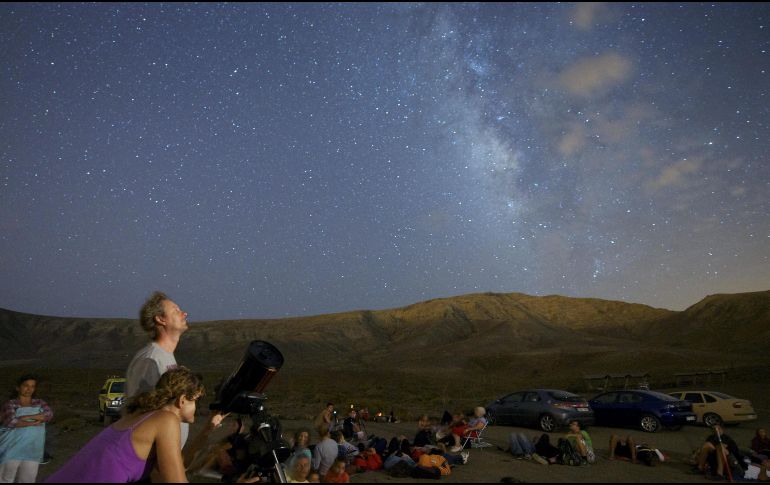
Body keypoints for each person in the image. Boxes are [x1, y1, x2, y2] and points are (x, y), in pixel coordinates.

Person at [45, 367, 227, 483]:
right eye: (195, 401)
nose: (197, 407)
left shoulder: (144, 415)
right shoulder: (166, 420)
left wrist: (207, 430)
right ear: (182, 400)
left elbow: (177, 466)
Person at [126, 291, 191, 448]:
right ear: (161, 319)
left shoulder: (166, 356)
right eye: (176, 310)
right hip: (154, 460)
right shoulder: (150, 359)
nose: (184, 313)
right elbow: (139, 413)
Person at [0, 375, 53, 483]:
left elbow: (48, 415)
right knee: (6, 479)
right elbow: (11, 422)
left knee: (28, 480)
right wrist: (36, 421)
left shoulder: (39, 403)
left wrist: (26, 417)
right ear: (18, 388)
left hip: (32, 450)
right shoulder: (10, 404)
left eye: (32, 386)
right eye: (26, 386)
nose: (29, 389)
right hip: (11, 449)